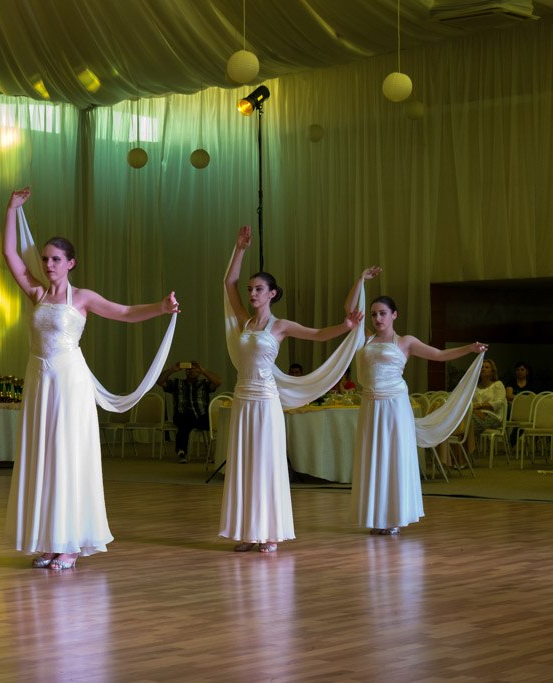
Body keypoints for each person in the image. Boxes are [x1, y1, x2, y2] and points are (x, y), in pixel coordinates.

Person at [3, 186, 178, 570]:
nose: (48, 264)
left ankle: (70, 544)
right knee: (44, 458)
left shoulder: (82, 297)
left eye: (55, 259)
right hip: (40, 380)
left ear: (71, 263)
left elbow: (125, 312)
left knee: (67, 456)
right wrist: (12, 209)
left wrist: (161, 308)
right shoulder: (36, 293)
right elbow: (10, 256)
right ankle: (51, 540)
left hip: (69, 383)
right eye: (45, 259)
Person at [220, 225, 364, 553]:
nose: (252, 293)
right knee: (245, 464)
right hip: (243, 398)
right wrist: (239, 248)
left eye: (259, 289)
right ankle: (249, 531)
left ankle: (270, 532)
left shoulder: (280, 326)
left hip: (265, 400)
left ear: (272, 294)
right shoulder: (244, 321)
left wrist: (345, 326)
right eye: (251, 289)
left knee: (266, 463)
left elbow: (318, 335)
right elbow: (229, 283)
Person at [350, 286, 487, 535]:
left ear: (394, 315)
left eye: (382, 313)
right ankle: (376, 517)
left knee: (393, 456)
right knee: (374, 457)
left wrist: (469, 349)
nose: (377, 318)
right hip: (370, 404)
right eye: (373, 314)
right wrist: (360, 281)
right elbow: (349, 311)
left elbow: (439, 355)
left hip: (395, 405)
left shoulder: (406, 342)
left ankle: (394, 517)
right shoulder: (367, 338)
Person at [156, 361, 222, 462]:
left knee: (218, 425)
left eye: (194, 369)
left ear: (199, 372)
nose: (191, 371)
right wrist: (172, 369)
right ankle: (181, 452)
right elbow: (159, 381)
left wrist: (204, 371)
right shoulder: (177, 383)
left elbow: (218, 382)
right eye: (188, 369)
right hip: (182, 415)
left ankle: (216, 454)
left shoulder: (204, 384)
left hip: (201, 415)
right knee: (185, 423)